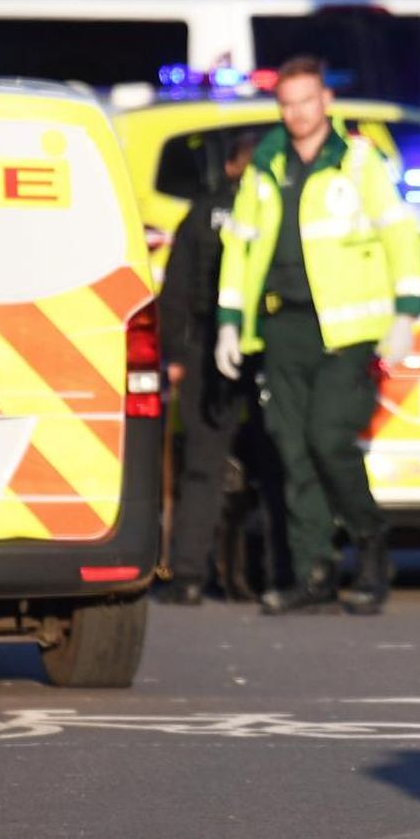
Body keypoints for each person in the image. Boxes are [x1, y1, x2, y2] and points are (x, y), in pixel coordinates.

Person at [216, 55, 420, 617]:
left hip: (346, 328)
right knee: (292, 450)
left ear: (325, 102)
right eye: (287, 103)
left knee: (327, 438)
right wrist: (230, 322)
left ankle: (371, 543)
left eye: (306, 100)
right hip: (280, 328)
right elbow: (240, 249)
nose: (297, 112)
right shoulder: (266, 165)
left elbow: (400, 235)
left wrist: (407, 310)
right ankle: (314, 571)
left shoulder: (357, 162)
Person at [153, 133, 258, 606]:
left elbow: (175, 291)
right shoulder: (279, 215)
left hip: (203, 349)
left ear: (232, 166)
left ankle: (189, 576)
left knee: (203, 467)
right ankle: (272, 575)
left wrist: (173, 354)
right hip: (265, 350)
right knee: (274, 468)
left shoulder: (202, 214)